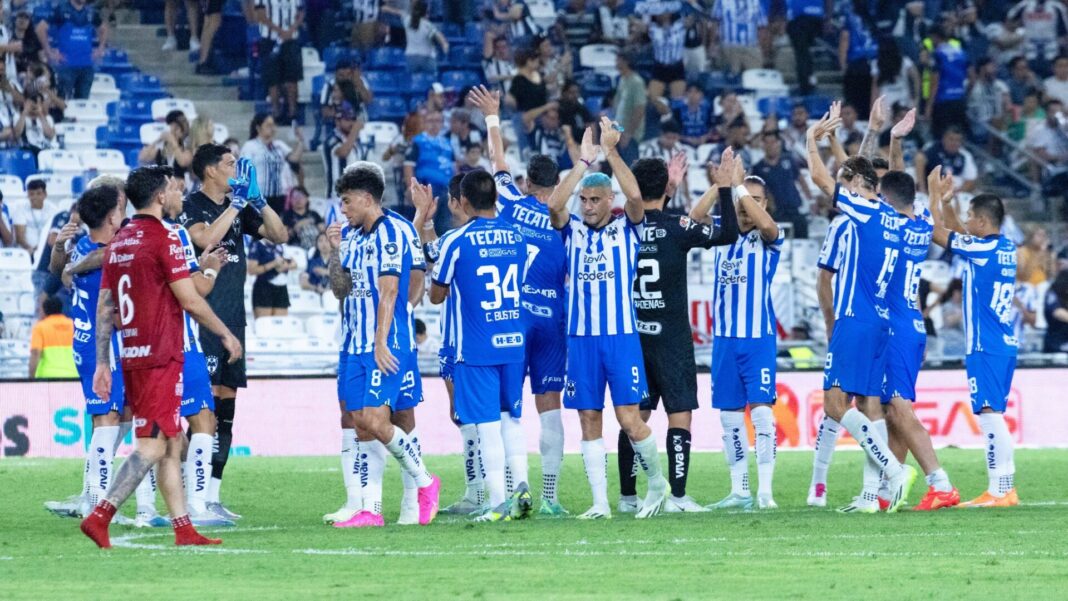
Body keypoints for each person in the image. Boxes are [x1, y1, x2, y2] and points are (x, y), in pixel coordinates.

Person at [79, 165, 242, 549]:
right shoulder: (165, 237)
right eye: (173, 189)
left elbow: (106, 307)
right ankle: (100, 516)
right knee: (152, 446)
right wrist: (225, 333)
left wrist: (104, 362)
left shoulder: (118, 242)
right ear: (159, 196)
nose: (178, 195)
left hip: (133, 355)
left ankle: (183, 528)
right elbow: (189, 297)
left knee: (169, 441)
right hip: (161, 356)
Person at [547, 116, 670, 520]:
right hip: (580, 339)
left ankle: (658, 484)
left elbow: (635, 198)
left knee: (629, 418)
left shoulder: (626, 229)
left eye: (594, 200)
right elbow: (553, 204)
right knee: (587, 417)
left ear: (607, 201)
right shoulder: (573, 232)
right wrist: (583, 163)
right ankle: (600, 503)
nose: (587, 207)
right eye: (583, 201)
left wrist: (611, 151)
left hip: (620, 337)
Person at [805, 102, 917, 513]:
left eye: (846, 182)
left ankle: (893, 470)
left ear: (859, 187)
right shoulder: (892, 215)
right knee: (870, 405)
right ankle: (870, 498)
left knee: (836, 405)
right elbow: (859, 176)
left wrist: (810, 139)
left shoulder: (864, 211)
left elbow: (824, 179)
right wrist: (848, 140)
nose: (842, 186)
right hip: (882, 322)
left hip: (855, 317)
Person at [620, 152, 739, 513]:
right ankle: (678, 496)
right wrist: (725, 189)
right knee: (679, 415)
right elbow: (729, 233)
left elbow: (650, 216)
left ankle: (627, 498)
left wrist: (667, 192)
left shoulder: (624, 226)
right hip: (671, 337)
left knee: (634, 418)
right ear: (664, 188)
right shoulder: (678, 228)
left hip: (636, 336)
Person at [471, 85, 570, 515]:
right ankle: (549, 496)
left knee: (509, 408)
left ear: (528, 182)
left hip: (514, 317)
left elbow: (498, 162)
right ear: (557, 184)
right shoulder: (566, 217)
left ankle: (516, 487)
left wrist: (493, 117)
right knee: (550, 407)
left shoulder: (509, 200)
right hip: (553, 319)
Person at [326, 164, 440, 529]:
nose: (342, 209)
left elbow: (391, 289)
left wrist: (380, 342)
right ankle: (370, 510)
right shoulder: (354, 236)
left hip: (385, 342)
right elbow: (341, 289)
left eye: (346, 202)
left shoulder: (392, 232)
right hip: (352, 343)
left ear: (365, 198)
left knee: (381, 419)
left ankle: (424, 483)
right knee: (361, 424)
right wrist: (334, 251)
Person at [180, 145, 288, 520]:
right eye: (229, 164)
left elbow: (280, 234)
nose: (236, 169)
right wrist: (237, 205)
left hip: (234, 320)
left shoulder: (239, 205)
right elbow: (203, 238)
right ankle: (189, 496)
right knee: (202, 412)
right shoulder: (191, 204)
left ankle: (211, 496)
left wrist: (259, 201)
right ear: (209, 171)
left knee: (226, 409)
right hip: (203, 321)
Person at [425, 170, 531, 522]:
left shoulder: (458, 241)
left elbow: (437, 296)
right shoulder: (517, 237)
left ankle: (498, 502)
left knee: (485, 426)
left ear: (464, 201)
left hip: (476, 346)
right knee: (511, 419)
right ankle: (522, 486)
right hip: (514, 342)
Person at [927, 168, 1020, 507]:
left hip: (985, 345)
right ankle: (1004, 489)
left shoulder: (981, 249)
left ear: (982, 222)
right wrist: (950, 204)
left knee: (989, 415)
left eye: (970, 216)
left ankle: (999, 490)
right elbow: (958, 234)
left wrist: (933, 195)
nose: (966, 220)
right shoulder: (1005, 247)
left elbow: (942, 235)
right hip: (1004, 343)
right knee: (994, 412)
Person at [869, 169, 961, 511]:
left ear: (887, 200)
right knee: (895, 413)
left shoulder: (890, 225)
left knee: (898, 408)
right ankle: (886, 490)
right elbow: (914, 202)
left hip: (896, 327)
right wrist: (936, 197)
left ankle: (940, 483)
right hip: (911, 325)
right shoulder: (921, 224)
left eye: (880, 196)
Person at [697, 150, 783, 511]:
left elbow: (768, 226)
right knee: (730, 418)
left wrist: (740, 189)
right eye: (744, 200)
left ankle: (765, 491)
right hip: (725, 342)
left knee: (762, 414)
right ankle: (740, 490)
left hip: (757, 338)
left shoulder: (769, 239)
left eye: (757, 200)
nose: (748, 207)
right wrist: (723, 187)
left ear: (765, 203)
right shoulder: (723, 233)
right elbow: (692, 218)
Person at [412, 173, 487, 515]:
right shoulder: (484, 237)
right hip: (496, 339)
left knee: (467, 415)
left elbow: (427, 262)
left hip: (462, 343)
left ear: (459, 203)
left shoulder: (458, 240)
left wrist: (421, 220)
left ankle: (479, 492)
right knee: (485, 416)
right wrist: (426, 222)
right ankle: (488, 488)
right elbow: (432, 250)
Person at [34, 0, 108, 99]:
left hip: (86, 66)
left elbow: (104, 28)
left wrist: (101, 48)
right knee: (63, 101)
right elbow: (40, 28)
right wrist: (49, 52)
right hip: (67, 65)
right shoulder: (61, 9)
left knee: (83, 103)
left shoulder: (91, 12)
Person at [403, 110, 454, 232]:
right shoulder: (417, 141)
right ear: (424, 123)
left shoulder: (447, 142)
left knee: (445, 226)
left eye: (438, 121)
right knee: (426, 226)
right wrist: (411, 188)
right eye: (431, 121)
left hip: (447, 190)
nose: (434, 124)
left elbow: (454, 166)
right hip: (427, 188)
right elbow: (408, 166)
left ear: (442, 123)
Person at [241, 113, 303, 213]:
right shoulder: (250, 146)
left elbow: (294, 159)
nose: (272, 128)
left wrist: (300, 141)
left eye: (273, 125)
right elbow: (244, 172)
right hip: (259, 197)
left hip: (279, 195)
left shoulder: (279, 145)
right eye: (268, 125)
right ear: (258, 128)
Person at [254, 0, 304, 124]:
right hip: (269, 40)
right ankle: (276, 112)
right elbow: (260, 15)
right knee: (273, 79)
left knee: (292, 78)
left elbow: (301, 12)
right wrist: (280, 31)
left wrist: (291, 30)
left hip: (291, 40)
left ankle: (292, 112)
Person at [751, 130, 809, 237]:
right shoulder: (758, 168)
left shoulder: (789, 160)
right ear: (762, 145)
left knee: (802, 240)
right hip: (775, 214)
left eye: (773, 142)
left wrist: (810, 199)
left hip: (794, 210)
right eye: (767, 142)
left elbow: (800, 179)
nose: (770, 146)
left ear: (779, 143)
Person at [925, 25, 970, 139]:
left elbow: (935, 81)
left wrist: (928, 107)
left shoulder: (937, 54)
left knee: (942, 136)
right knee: (958, 135)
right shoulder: (960, 52)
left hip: (943, 101)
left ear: (935, 37)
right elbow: (971, 75)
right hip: (959, 99)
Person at [711, 0, 768, 74]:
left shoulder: (756, 1)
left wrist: (761, 47)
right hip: (730, 47)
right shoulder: (722, 1)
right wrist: (712, 44)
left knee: (754, 78)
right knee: (730, 80)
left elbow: (762, 26)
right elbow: (715, 22)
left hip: (751, 47)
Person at [394, 0, 448, 74]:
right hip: (427, 58)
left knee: (413, 83)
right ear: (425, 12)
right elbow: (440, 38)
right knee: (431, 82)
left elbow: (400, 13)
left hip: (411, 57)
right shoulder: (428, 25)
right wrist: (445, 46)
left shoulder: (407, 20)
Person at [29, 295, 76, 379]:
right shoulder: (73, 325)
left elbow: (35, 353)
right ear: (61, 308)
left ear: (44, 310)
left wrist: (30, 377)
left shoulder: (40, 327)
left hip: (47, 376)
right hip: (73, 374)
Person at [139, 110, 192, 182]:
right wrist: (158, 140)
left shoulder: (187, 145)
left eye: (178, 128)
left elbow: (183, 162)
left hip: (181, 186)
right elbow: (142, 158)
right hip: (162, 186)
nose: (176, 131)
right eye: (174, 128)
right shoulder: (161, 147)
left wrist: (173, 142)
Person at [611, 52, 646, 164]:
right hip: (619, 131)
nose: (615, 62)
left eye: (618, 59)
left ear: (626, 61)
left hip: (630, 135)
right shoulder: (622, 80)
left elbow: (640, 109)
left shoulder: (636, 82)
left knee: (630, 170)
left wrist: (629, 134)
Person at [248, 237, 294, 317]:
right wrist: (274, 264)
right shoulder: (257, 244)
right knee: (264, 324)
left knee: (281, 325)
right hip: (264, 286)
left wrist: (284, 266)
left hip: (281, 286)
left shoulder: (281, 244)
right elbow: (251, 270)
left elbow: (294, 263)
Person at [282, 185, 324, 249]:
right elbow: (285, 236)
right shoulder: (287, 215)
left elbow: (323, 230)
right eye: (295, 197)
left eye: (301, 196)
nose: (298, 199)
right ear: (290, 200)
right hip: (296, 248)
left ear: (307, 198)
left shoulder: (314, 214)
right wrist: (297, 226)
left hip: (316, 247)